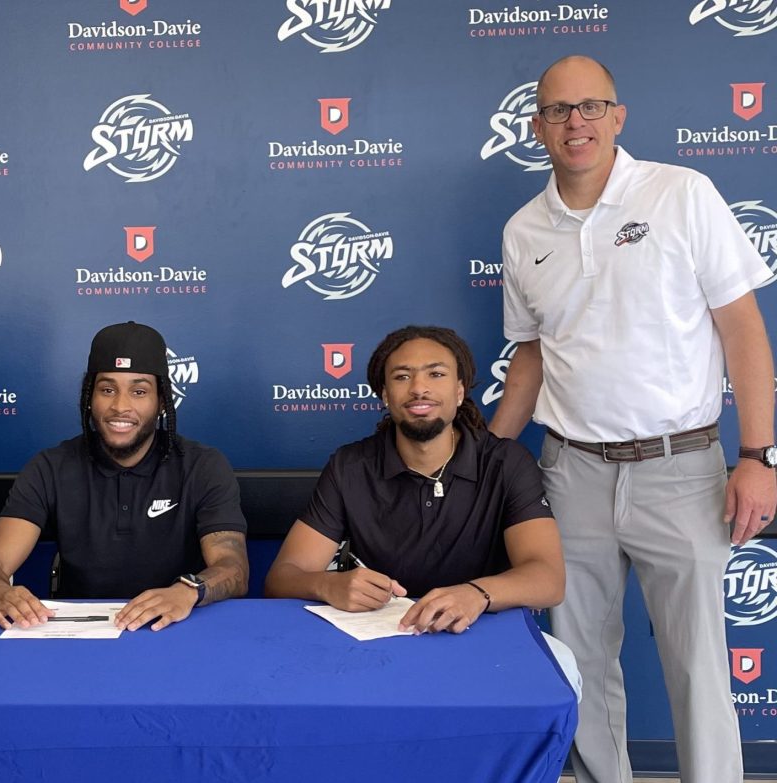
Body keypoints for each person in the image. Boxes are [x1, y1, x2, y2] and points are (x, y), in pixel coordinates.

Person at [490, 55, 775, 783]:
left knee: (698, 666)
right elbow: (532, 355)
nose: (575, 123)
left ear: (618, 117)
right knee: (580, 662)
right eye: (558, 110)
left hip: (683, 470)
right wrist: (484, 458)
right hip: (570, 473)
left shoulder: (682, 193)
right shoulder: (524, 230)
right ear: (537, 127)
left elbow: (743, 328)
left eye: (591, 107)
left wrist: (758, 456)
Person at [264, 326, 565, 638]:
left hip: (480, 634)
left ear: (459, 391)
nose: (419, 388)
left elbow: (549, 579)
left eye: (436, 374)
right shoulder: (350, 466)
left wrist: (477, 594)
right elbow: (281, 578)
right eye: (402, 376)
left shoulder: (506, 462)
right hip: (385, 635)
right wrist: (328, 584)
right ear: (385, 394)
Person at [0, 321, 249, 632]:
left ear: (162, 402)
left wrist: (188, 591)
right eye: (107, 390)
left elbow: (233, 568)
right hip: (81, 634)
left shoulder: (202, 466)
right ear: (90, 397)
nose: (120, 406)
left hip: (175, 628)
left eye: (139, 391)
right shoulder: (50, 467)